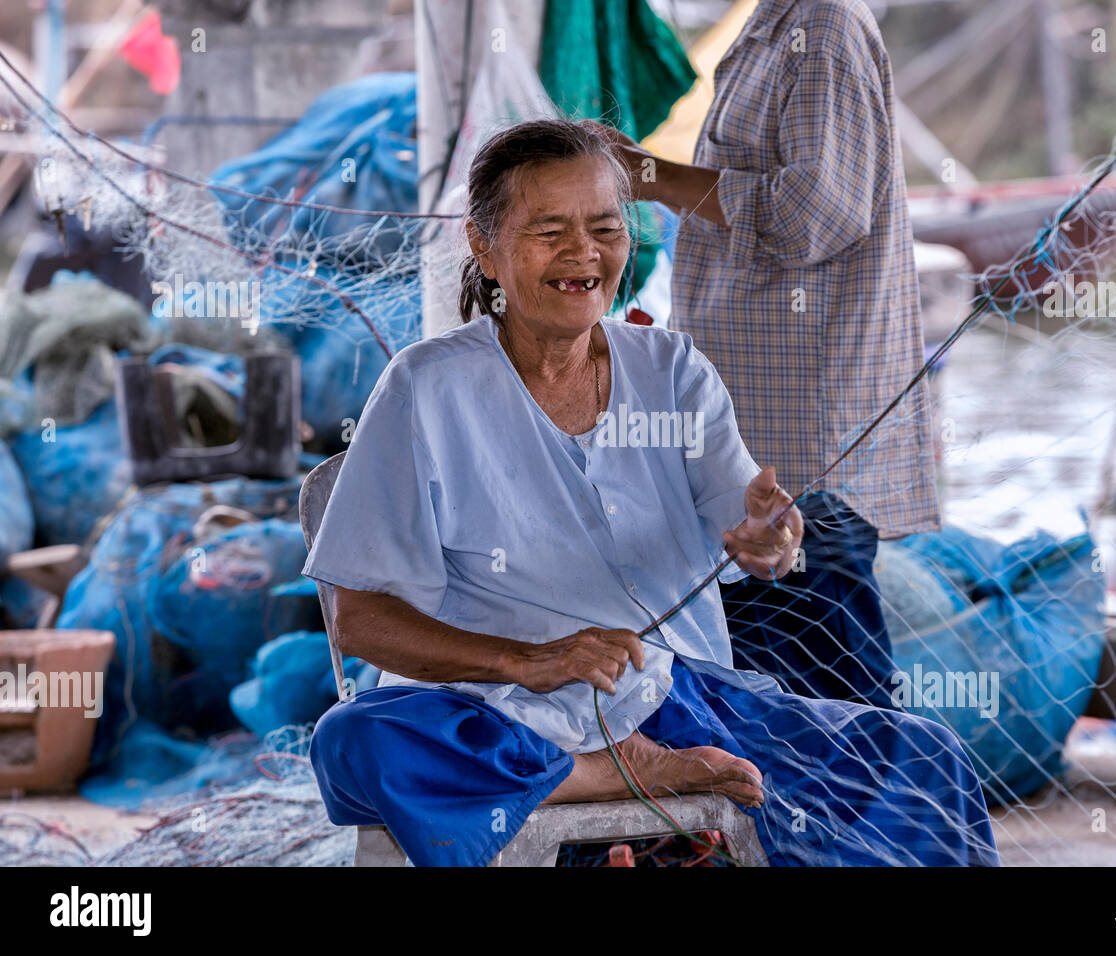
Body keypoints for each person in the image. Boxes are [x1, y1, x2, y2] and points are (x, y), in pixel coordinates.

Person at [303, 119, 997, 866]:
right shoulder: (426, 386)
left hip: (681, 701)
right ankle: (599, 773)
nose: (584, 254)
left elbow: (748, 523)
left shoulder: (671, 370)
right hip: (495, 715)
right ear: (483, 246)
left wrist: (770, 536)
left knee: (927, 757)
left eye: (606, 227)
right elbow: (361, 621)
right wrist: (521, 662)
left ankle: (626, 781)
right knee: (355, 742)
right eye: (550, 231)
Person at [590, 0, 937, 709]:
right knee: (763, 688)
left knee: (833, 696)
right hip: (748, 428)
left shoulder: (825, 27)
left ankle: (882, 814)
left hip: (806, 440)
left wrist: (647, 177)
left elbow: (814, 215)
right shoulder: (767, 26)